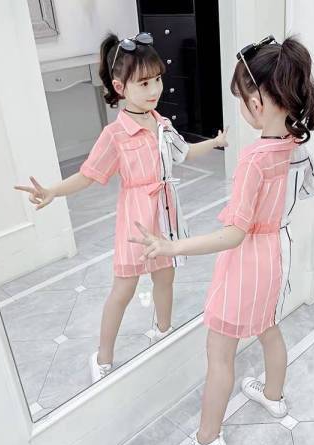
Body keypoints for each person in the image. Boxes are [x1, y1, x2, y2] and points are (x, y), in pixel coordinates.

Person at [130, 35, 314, 445]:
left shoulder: (253, 159)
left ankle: (208, 439)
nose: (242, 107)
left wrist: (171, 245)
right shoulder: (297, 147)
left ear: (257, 102)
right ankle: (273, 396)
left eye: (242, 98)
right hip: (276, 255)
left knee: (220, 353)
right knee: (268, 326)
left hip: (246, 260)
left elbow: (234, 235)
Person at [14, 32, 228, 384]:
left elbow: (185, 152)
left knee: (165, 277)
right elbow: (88, 175)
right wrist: (53, 191)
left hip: (165, 215)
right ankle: (103, 356)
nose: (154, 89)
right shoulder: (114, 135)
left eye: (157, 79)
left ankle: (163, 331)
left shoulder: (162, 123)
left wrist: (216, 142)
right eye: (144, 83)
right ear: (119, 87)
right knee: (124, 290)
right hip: (136, 219)